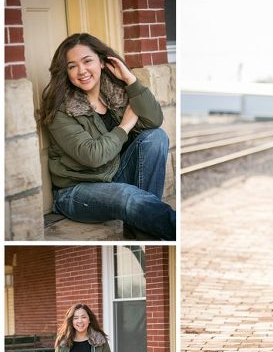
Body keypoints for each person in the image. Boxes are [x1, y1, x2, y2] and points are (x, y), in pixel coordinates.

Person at [40, 32, 176, 240]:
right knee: (127, 196)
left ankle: (139, 227)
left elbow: (153, 121)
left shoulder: (116, 93)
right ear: (66, 72)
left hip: (114, 174)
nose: (81, 71)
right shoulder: (61, 110)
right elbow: (92, 156)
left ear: (102, 63)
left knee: (155, 137)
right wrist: (125, 125)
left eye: (87, 61)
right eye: (72, 66)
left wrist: (130, 80)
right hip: (77, 190)